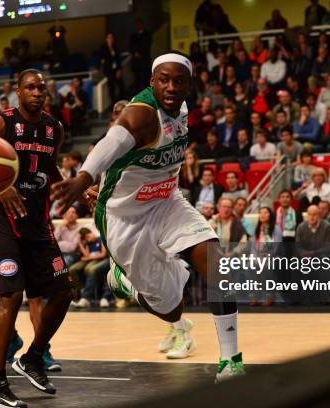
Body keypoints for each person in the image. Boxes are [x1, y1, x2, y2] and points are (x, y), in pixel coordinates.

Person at [50, 53, 245, 381]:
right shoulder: (141, 115)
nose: (170, 86)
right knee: (173, 309)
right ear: (151, 82)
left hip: (168, 202)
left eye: (178, 81)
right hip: (126, 220)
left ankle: (231, 362)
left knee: (217, 264)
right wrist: (83, 179)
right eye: (163, 80)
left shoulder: (181, 109)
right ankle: (125, 283)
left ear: (189, 85)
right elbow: (109, 143)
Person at [0, 69, 75, 407]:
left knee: (64, 291)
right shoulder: (1, 124)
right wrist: (3, 186)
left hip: (37, 225)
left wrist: (74, 187)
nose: (37, 92)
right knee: (10, 297)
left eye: (42, 87)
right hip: (1, 223)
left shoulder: (54, 128)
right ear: (17, 92)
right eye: (30, 87)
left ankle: (34, 357)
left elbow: (50, 167)